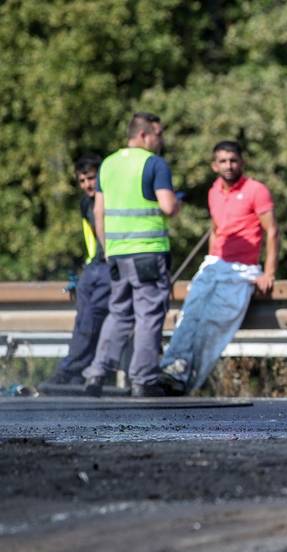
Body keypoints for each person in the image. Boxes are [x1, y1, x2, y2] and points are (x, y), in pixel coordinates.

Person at [158, 140, 279, 395]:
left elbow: (272, 232)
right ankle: (171, 370)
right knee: (189, 316)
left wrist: (268, 272)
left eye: (233, 160)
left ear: (242, 163)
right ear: (214, 165)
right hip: (214, 264)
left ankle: (187, 383)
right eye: (223, 161)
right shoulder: (214, 191)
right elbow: (215, 230)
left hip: (242, 268)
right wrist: (210, 258)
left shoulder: (257, 190)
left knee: (213, 326)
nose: (228, 166)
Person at [83, 112, 181, 397]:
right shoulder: (154, 163)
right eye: (158, 134)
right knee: (149, 314)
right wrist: (179, 204)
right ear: (143, 135)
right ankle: (143, 379)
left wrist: (107, 249)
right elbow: (168, 206)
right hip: (148, 253)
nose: (160, 140)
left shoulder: (108, 164)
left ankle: (96, 374)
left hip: (116, 253)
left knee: (119, 313)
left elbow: (98, 212)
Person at [40, 154, 111, 387]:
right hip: (93, 267)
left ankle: (69, 370)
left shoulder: (112, 199)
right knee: (82, 321)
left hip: (110, 267)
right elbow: (90, 237)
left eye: (91, 178)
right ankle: (77, 371)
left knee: (90, 319)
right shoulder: (84, 203)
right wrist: (88, 266)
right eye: (82, 181)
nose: (87, 185)